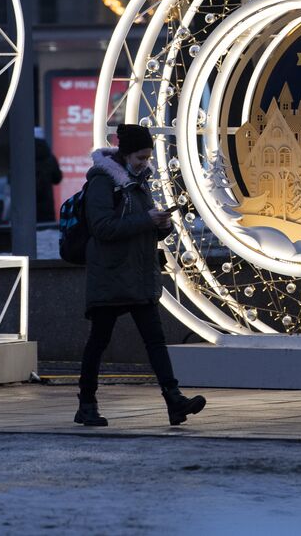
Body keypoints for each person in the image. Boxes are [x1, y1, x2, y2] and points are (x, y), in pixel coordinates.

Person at [75, 122, 206, 428]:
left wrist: (161, 225)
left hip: (138, 275)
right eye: (140, 158)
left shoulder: (139, 181)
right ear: (125, 154)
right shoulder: (102, 181)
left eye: (148, 158)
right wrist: (146, 220)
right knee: (99, 341)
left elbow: (142, 223)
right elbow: (102, 228)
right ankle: (86, 404)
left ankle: (174, 401)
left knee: (155, 341)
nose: (145, 163)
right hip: (110, 276)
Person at [34, 127, 63, 223]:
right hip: (46, 205)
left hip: (28, 205)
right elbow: (57, 178)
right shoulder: (49, 157)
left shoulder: (23, 155)